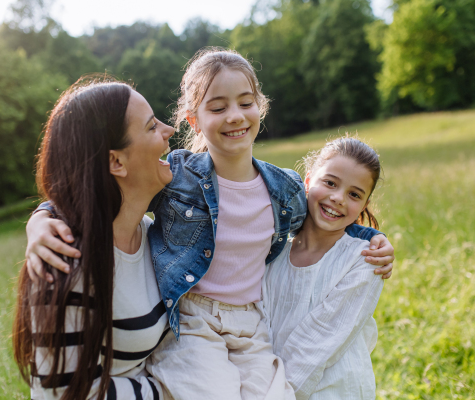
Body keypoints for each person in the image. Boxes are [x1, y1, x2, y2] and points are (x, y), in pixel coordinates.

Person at [25, 48, 395, 400]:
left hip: (251, 323)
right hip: (194, 319)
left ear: (260, 107)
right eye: (218, 107)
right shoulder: (178, 179)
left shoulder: (284, 189)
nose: (234, 115)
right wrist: (43, 218)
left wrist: (370, 238)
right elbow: (90, 195)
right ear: (194, 119)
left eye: (246, 103)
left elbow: (322, 217)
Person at [13, 77, 175, 400]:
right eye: (151, 126)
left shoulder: (155, 232)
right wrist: (175, 387)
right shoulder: (64, 260)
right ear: (116, 162)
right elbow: (66, 393)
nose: (169, 129)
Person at [261, 136, 387, 399]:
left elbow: (317, 344)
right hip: (264, 382)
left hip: (332, 390)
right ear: (307, 181)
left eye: (354, 194)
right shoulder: (274, 248)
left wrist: (277, 394)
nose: (338, 198)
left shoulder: (365, 259)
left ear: (364, 205)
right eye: (330, 183)